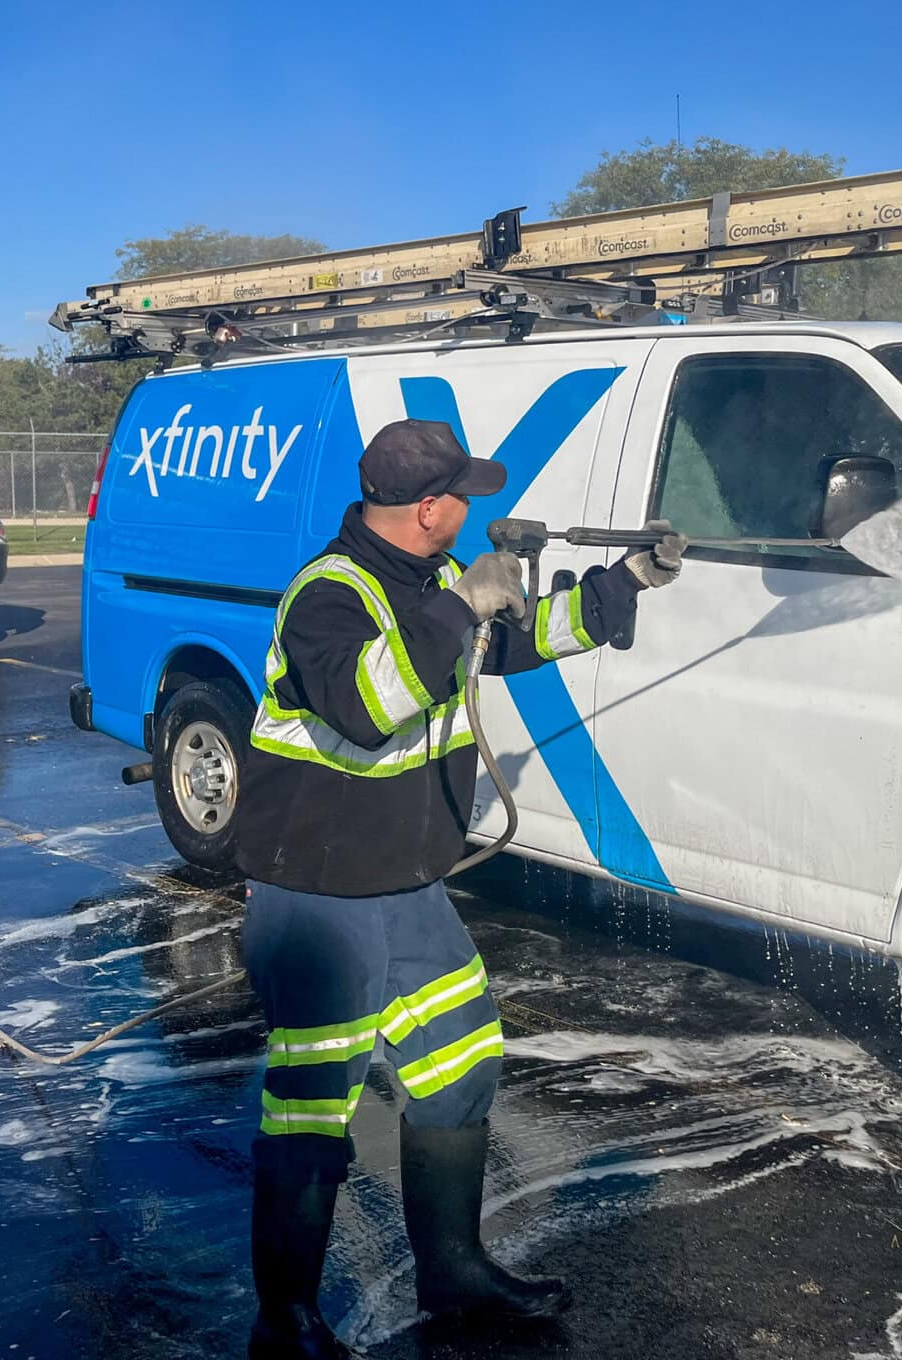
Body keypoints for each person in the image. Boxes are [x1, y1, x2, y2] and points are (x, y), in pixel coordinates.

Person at [235, 418, 686, 1358]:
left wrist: (622, 583)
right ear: (432, 508)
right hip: (320, 901)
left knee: (461, 1071)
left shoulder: (430, 579)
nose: (473, 509)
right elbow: (363, 708)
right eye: (465, 497)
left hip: (406, 887)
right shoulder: (328, 595)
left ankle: (454, 1273)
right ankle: (287, 1322)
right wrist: (461, 609)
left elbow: (512, 645)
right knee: (315, 1110)